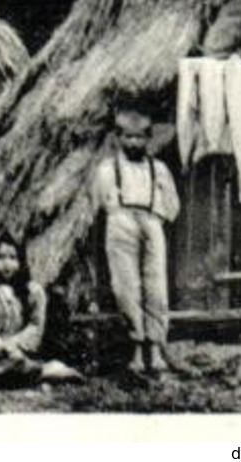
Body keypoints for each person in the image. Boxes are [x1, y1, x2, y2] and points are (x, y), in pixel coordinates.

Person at [91, 105, 181, 375]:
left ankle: (155, 348)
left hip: (151, 222)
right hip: (120, 222)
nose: (134, 142)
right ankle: (136, 349)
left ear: (148, 138)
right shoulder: (107, 169)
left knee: (156, 285)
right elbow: (97, 202)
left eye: (140, 137)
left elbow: (173, 204)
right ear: (118, 138)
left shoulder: (159, 169)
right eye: (128, 137)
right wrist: (119, 217)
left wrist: (156, 218)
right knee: (126, 285)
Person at [0, 233, 81, 387]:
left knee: (13, 365)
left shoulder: (33, 290)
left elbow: (35, 327)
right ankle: (45, 372)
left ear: (21, 261)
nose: (7, 264)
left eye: (12, 258)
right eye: (0, 257)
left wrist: (11, 345)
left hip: (21, 353)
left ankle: (28, 372)